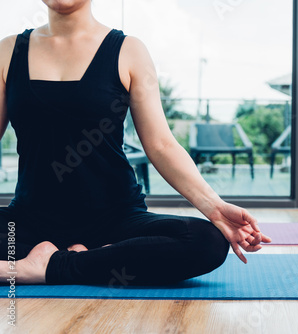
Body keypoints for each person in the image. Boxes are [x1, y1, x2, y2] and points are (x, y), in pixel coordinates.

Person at [0, 0, 271, 285]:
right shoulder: (8, 52)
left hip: (115, 222)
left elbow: (161, 145)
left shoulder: (128, 51)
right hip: (31, 221)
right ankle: (96, 261)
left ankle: (40, 268)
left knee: (206, 241)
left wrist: (214, 206)